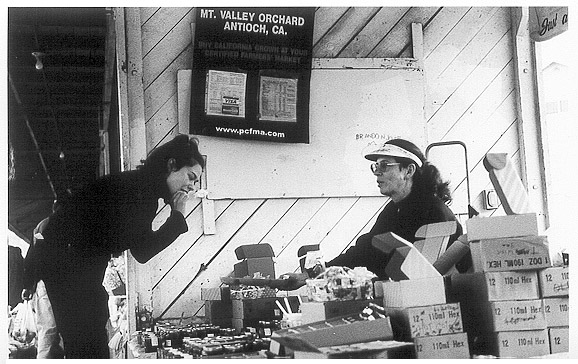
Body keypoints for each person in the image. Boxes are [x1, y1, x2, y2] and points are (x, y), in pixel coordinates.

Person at [21, 134, 205, 359]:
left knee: (87, 338)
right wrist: (177, 216)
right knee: (87, 343)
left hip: (67, 261)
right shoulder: (141, 192)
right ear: (171, 165)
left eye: (196, 182)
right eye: (191, 176)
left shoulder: (139, 185)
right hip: (67, 263)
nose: (192, 186)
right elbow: (143, 251)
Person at [326, 138, 465, 278]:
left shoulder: (434, 212)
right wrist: (324, 270)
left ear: (409, 171)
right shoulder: (393, 209)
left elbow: (419, 272)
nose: (377, 172)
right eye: (376, 166)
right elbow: (366, 248)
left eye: (385, 165)